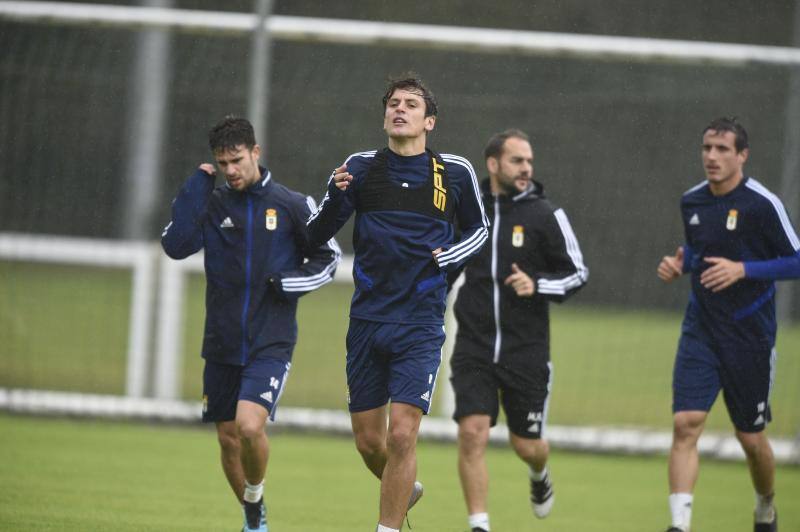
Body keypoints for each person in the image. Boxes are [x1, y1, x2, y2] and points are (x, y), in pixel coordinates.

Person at [307, 74, 489, 532]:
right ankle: (404, 487)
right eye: (393, 103)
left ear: (429, 120)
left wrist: (447, 259)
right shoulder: (360, 167)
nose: (399, 109)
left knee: (403, 434)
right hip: (367, 320)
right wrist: (334, 196)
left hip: (420, 323)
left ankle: (387, 527)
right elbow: (314, 234)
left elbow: (480, 231)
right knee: (371, 443)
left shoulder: (455, 171)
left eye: (410, 104)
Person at [161, 116, 341, 532]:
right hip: (221, 342)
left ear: (255, 153)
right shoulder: (212, 203)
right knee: (227, 439)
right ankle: (253, 517)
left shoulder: (292, 203)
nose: (230, 170)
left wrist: (288, 283)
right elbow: (175, 245)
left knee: (248, 425)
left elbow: (328, 257)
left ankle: (255, 496)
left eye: (237, 160)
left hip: (270, 342)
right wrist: (195, 188)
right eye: (222, 163)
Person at [657, 117, 800, 532]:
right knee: (686, 424)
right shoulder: (693, 202)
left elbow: (795, 259)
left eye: (722, 149)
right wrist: (679, 262)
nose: (712, 157)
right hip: (701, 330)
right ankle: (679, 525)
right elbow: (701, 252)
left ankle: (765, 506)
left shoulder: (762, 203)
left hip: (749, 337)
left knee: (751, 440)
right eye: (707, 148)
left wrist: (745, 270)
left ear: (742, 156)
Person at [448, 129, 588, 532]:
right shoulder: (467, 208)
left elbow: (578, 273)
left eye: (529, 161)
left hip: (525, 351)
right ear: (493, 165)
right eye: (517, 160)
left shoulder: (546, 215)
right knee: (472, 433)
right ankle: (479, 524)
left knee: (526, 446)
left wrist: (537, 284)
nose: (526, 168)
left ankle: (539, 474)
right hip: (473, 345)